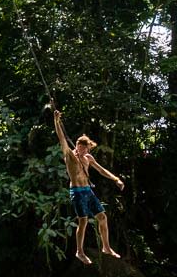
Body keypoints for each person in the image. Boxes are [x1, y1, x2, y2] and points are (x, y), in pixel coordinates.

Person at [52, 104, 124, 264]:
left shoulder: (88, 158)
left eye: (87, 149)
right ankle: (79, 251)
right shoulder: (69, 156)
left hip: (88, 191)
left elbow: (101, 170)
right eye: (83, 148)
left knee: (102, 217)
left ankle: (106, 247)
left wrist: (116, 179)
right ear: (78, 146)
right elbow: (62, 138)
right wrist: (56, 121)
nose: (85, 151)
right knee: (83, 220)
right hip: (77, 191)